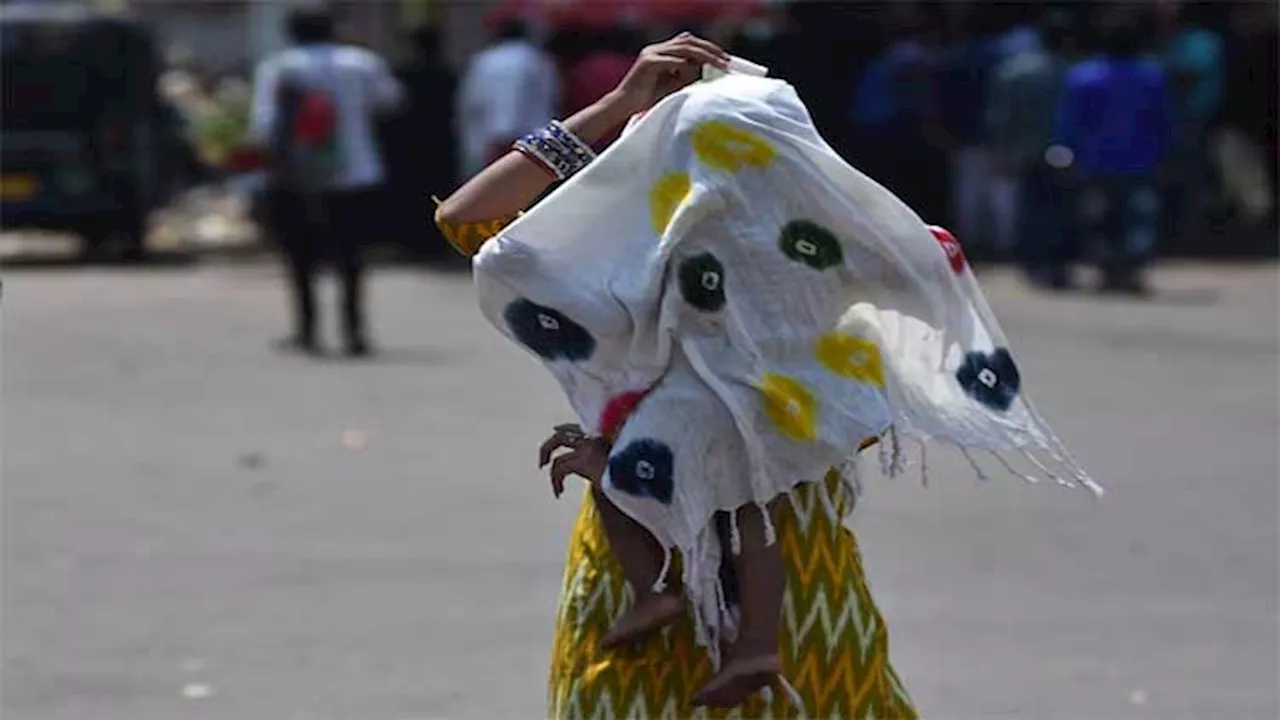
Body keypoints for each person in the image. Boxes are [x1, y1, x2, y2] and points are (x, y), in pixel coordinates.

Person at [434, 33, 919, 718]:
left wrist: (611, 106)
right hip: (798, 592)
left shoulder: (611, 265)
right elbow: (837, 428)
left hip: (647, 574)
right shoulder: (838, 272)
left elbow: (467, 218)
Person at [249, 7, 403, 356]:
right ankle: (354, 331)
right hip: (357, 171)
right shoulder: (360, 62)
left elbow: (263, 125)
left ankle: (308, 330)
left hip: (297, 176)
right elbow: (390, 101)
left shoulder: (279, 67)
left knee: (299, 256)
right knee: (351, 257)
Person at [1054, 13, 1171, 294]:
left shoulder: (1083, 77)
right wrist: (1167, 153)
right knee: (1137, 220)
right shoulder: (1151, 77)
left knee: (1098, 220)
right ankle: (1128, 271)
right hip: (1140, 160)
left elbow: (1069, 122)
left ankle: (1109, 271)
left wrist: (1065, 153)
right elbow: (1164, 121)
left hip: (1094, 161)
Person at [987, 10, 1077, 288]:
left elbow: (1000, 117)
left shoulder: (1014, 71)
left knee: (1031, 207)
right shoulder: (1072, 73)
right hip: (1064, 153)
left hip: (1024, 152)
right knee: (1062, 210)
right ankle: (1057, 264)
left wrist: (1000, 149)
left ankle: (1032, 262)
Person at [455, 19, 560, 179]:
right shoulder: (540, 60)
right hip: (538, 144)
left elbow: (480, 104)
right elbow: (553, 98)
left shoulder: (488, 61)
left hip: (495, 145)